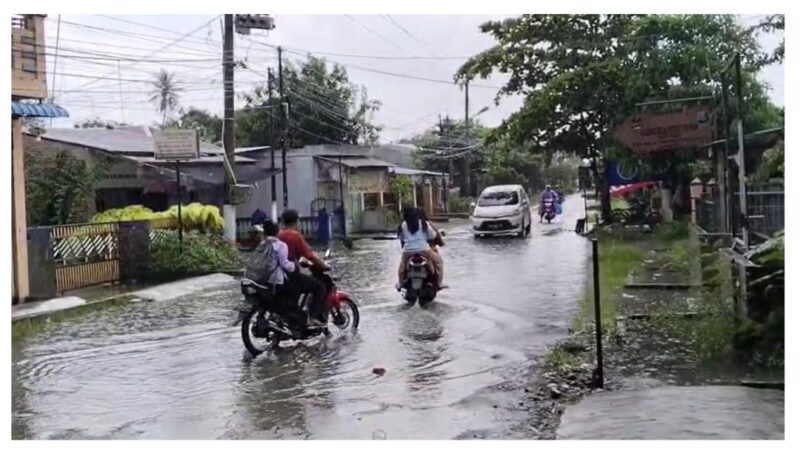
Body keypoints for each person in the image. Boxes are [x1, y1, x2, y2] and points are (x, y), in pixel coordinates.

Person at [278, 209, 329, 328]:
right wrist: (323, 265)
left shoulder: (279, 234)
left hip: (280, 275)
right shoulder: (295, 235)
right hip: (291, 275)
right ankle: (312, 318)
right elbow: (309, 255)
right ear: (296, 221)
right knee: (319, 286)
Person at [396, 207, 443, 290]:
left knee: (402, 266)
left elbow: (402, 239)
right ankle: (439, 283)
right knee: (438, 261)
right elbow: (432, 235)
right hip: (424, 250)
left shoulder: (403, 225)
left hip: (408, 251)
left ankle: (400, 283)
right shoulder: (424, 223)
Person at [261, 220, 295, 287]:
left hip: (262, 278)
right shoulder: (281, 245)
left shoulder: (261, 244)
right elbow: (284, 264)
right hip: (276, 280)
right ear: (278, 232)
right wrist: (293, 265)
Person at [417, 207, 445, 286]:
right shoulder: (427, 224)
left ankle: (402, 281)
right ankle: (439, 283)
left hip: (410, 250)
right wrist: (441, 243)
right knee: (439, 263)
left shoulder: (409, 225)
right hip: (427, 249)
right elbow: (436, 235)